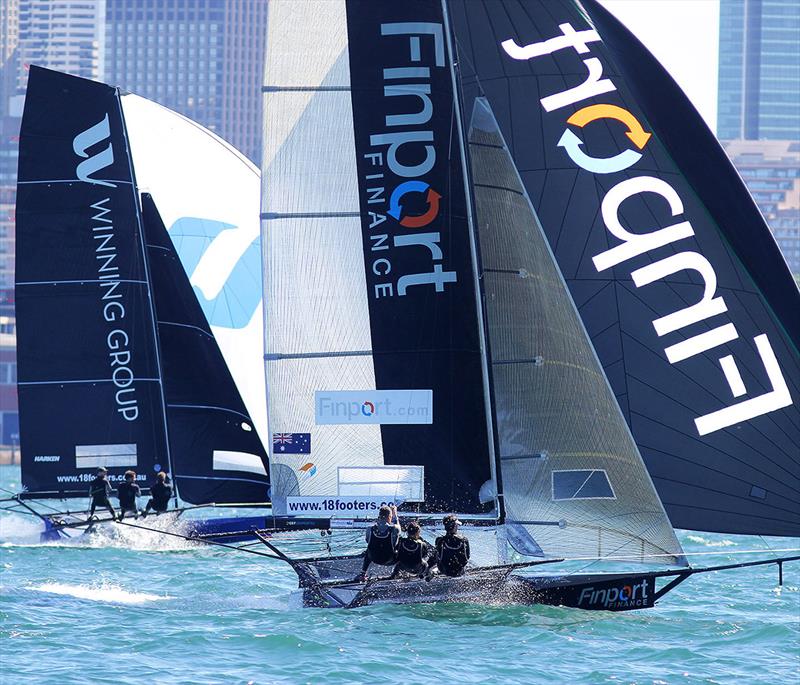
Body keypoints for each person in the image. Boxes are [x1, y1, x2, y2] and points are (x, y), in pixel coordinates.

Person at [355, 504, 400, 581]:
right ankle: (396, 573)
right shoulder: (395, 529)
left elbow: (367, 541)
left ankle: (363, 573)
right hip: (389, 559)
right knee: (402, 545)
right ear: (390, 517)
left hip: (374, 559)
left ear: (379, 516)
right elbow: (396, 541)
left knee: (368, 549)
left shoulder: (370, 528)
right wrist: (395, 515)